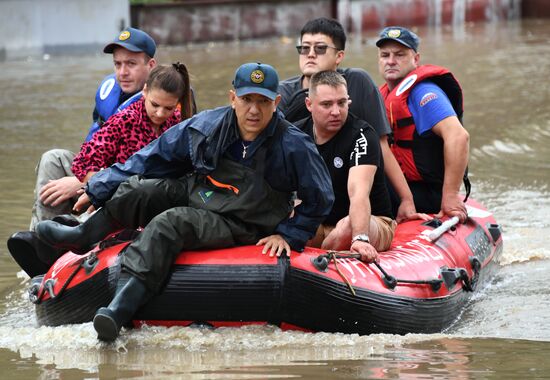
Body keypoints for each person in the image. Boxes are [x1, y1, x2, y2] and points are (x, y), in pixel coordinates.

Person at [34, 62, 334, 342]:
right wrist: (99, 187)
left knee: (172, 222)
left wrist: (289, 234)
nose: (254, 110)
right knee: (140, 188)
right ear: (233, 98)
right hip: (202, 192)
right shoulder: (207, 126)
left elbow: (321, 196)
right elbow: (151, 157)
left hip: (244, 220)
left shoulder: (293, 144)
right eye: (247, 100)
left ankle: (120, 308)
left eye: (263, 102)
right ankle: (83, 235)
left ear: (276, 103)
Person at [8, 62, 195, 278]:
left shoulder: (179, 126)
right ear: (144, 92)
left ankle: (65, 233)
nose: (160, 113)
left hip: (153, 198)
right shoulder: (125, 119)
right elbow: (86, 160)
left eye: (168, 108)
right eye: (154, 105)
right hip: (118, 195)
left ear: (177, 105)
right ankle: (53, 245)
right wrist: (99, 186)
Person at [278, 17, 424, 223]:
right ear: (310, 104)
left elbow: (382, 145)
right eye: (304, 48)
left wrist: (406, 199)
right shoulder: (283, 94)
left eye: (320, 48)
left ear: (339, 56)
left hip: (357, 180)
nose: (310, 54)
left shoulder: (358, 81)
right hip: (309, 192)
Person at [30, 27, 159, 230]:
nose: (122, 72)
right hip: (97, 175)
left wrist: (83, 182)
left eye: (131, 64)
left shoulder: (164, 100)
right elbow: (93, 145)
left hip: (131, 186)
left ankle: (73, 233)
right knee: (53, 158)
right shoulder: (110, 91)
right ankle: (42, 235)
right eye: (118, 64)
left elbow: (145, 165)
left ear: (151, 65)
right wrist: (84, 176)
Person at [296, 70, 395, 263]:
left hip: (366, 222)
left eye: (341, 103)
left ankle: (319, 261)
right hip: (318, 222)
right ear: (309, 104)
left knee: (347, 227)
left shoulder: (362, 135)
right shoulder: (296, 134)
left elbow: (358, 191)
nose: (336, 111)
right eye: (326, 104)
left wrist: (360, 238)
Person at [376, 26, 470, 222]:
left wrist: (451, 196)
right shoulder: (382, 95)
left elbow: (459, 136)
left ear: (416, 59)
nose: (391, 61)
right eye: (385, 55)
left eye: (399, 55)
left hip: (427, 192)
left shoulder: (424, 93)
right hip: (403, 187)